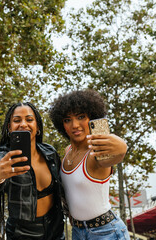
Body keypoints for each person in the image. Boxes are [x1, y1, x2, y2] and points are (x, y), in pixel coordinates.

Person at [49, 89, 130, 240]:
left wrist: (122, 148)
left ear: (92, 118)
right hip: (78, 231)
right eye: (67, 120)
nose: (75, 125)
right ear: (62, 125)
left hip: (106, 232)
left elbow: (111, 158)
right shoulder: (67, 152)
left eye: (81, 117)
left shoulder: (96, 154)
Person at [0, 102, 66, 240]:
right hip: (22, 233)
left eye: (29, 119)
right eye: (17, 120)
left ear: (37, 127)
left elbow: (63, 189)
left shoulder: (50, 153)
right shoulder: (5, 155)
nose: (23, 124)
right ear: (10, 128)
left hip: (55, 228)